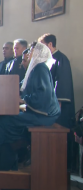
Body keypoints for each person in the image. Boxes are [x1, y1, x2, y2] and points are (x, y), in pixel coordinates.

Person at [0, 42, 60, 171]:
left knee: (5, 121)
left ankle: (9, 151)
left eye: (31, 51)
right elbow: (22, 86)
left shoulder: (40, 68)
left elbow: (42, 97)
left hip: (44, 115)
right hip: (39, 112)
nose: (28, 54)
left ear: (39, 53)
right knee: (3, 120)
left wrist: (22, 99)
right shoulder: (35, 68)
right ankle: (9, 153)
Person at [38, 33, 76, 170]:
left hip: (59, 112)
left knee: (60, 145)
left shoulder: (61, 59)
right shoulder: (49, 60)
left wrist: (55, 111)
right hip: (49, 110)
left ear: (49, 45)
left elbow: (62, 85)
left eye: (42, 46)